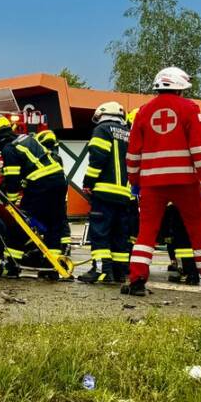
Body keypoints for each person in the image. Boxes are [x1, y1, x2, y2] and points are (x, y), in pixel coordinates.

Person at [124, 66, 201, 297]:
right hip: (185, 181)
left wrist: (134, 180)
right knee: (198, 230)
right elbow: (198, 147)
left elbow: (133, 153)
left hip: (151, 182)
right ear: (180, 87)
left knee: (146, 232)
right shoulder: (189, 108)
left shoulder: (143, 112)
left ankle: (137, 281)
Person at [0, 114, 71, 276]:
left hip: (41, 185)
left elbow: (13, 180)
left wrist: (11, 202)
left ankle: (11, 265)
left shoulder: (9, 148)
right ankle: (51, 267)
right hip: (59, 181)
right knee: (53, 224)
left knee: (21, 222)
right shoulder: (26, 139)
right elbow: (30, 169)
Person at [78, 102, 135, 285]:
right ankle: (119, 272)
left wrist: (88, 182)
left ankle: (101, 271)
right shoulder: (129, 133)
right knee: (120, 235)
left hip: (104, 192)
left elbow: (98, 157)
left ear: (102, 115)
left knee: (100, 233)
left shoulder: (102, 130)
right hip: (124, 194)